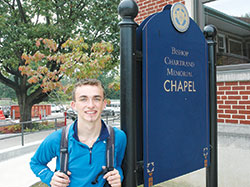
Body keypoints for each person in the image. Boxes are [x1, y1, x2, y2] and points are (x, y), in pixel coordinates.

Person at [30, 79, 127, 187]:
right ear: (74, 105)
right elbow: (36, 163)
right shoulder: (57, 138)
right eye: (83, 99)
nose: (90, 105)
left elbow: (118, 165)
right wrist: (50, 178)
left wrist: (119, 177)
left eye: (96, 99)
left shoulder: (118, 137)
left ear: (104, 104)